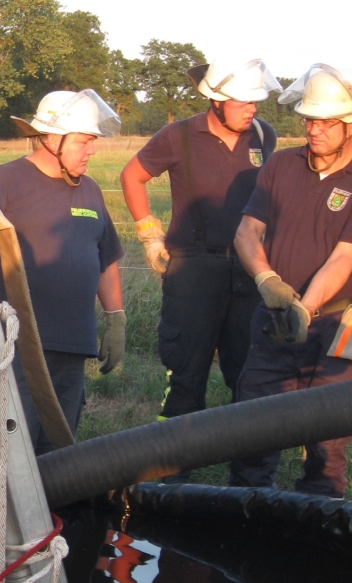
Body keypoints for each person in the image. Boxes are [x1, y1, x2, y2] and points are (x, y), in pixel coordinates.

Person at [120, 58, 281, 428]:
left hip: (249, 267)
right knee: (186, 373)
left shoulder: (263, 136)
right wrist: (149, 233)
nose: (253, 109)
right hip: (193, 270)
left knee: (249, 372)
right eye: (244, 102)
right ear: (217, 102)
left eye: (255, 101)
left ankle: (247, 455)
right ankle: (175, 455)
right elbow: (131, 176)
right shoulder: (178, 136)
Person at [0, 88, 126, 454]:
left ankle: (53, 495)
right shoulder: (0, 184)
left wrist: (116, 319)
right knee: (13, 453)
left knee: (60, 452)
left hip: (72, 348)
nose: (92, 150)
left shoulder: (91, 191)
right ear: (54, 140)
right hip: (13, 347)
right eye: (84, 141)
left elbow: (105, 259)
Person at [229, 63, 352, 496]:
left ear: (349, 125)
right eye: (309, 120)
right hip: (274, 317)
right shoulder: (281, 165)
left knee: (327, 437)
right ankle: (246, 509)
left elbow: (344, 258)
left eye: (326, 123)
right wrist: (267, 281)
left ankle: (321, 514)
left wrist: (307, 307)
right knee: (253, 424)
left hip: (337, 324)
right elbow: (247, 232)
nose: (314, 130)